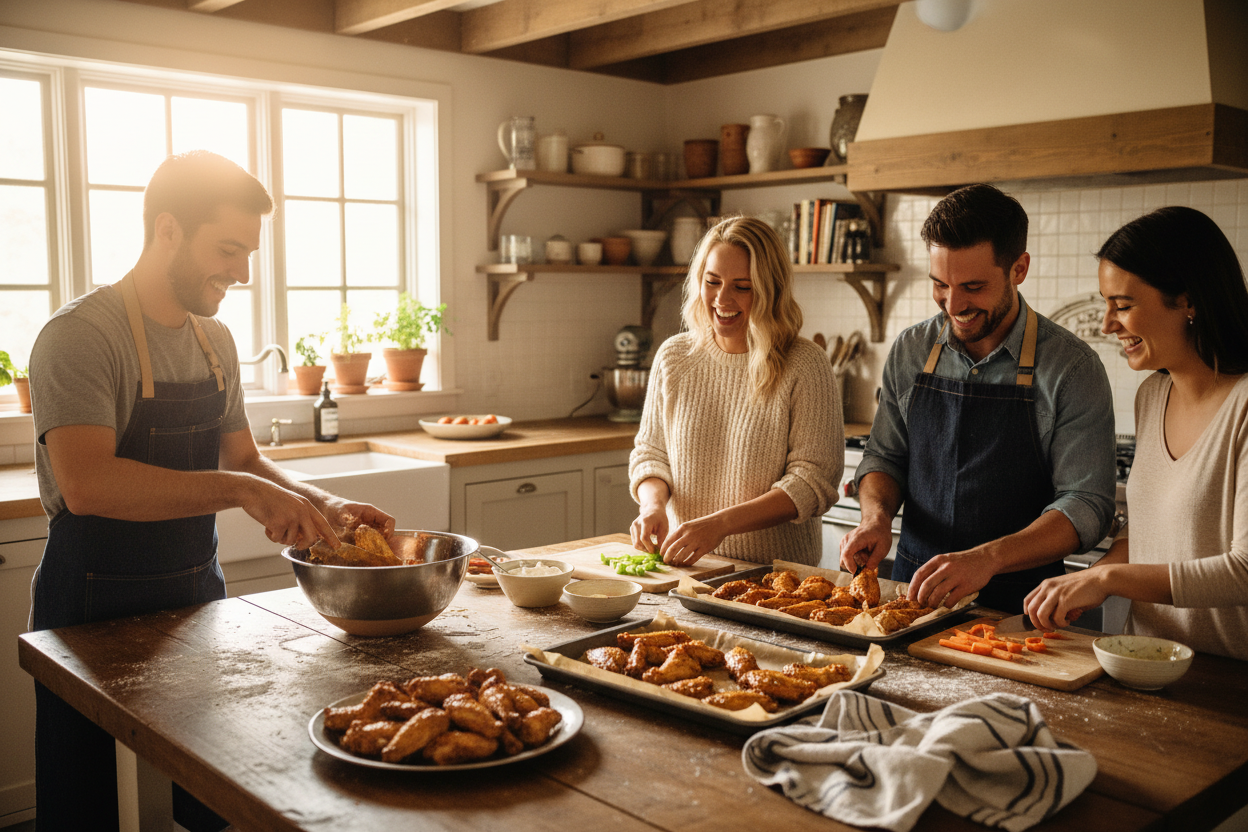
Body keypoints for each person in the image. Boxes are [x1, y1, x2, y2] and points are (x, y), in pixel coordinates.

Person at [27, 150, 395, 832]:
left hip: (196, 597)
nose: (242, 273)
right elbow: (87, 484)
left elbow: (244, 457)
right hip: (91, 608)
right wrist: (238, 491)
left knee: (208, 796)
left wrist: (325, 505)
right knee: (94, 806)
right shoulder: (79, 336)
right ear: (167, 229)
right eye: (228, 250)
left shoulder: (215, 340)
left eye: (248, 253)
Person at [840, 184, 1116, 613]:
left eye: (972, 286)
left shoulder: (1072, 368)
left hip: (1021, 610)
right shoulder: (911, 350)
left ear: (1019, 269)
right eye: (940, 284)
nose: (953, 304)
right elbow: (885, 458)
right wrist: (875, 518)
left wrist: (987, 559)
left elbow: (1086, 504)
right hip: (910, 601)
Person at [1025, 207, 1248, 660]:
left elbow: (1243, 572)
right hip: (1144, 662)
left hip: (1226, 679)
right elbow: (1147, 535)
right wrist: (1088, 580)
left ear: (1188, 302)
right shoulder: (1153, 395)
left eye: (1123, 306)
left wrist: (1105, 578)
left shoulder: (1243, 406)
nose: (1107, 324)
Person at [628, 215, 842, 567]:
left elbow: (812, 482)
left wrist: (720, 525)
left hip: (775, 576)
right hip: (690, 565)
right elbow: (652, 454)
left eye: (742, 287)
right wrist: (652, 506)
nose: (722, 298)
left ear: (770, 290)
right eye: (712, 282)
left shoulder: (805, 364)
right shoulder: (674, 357)